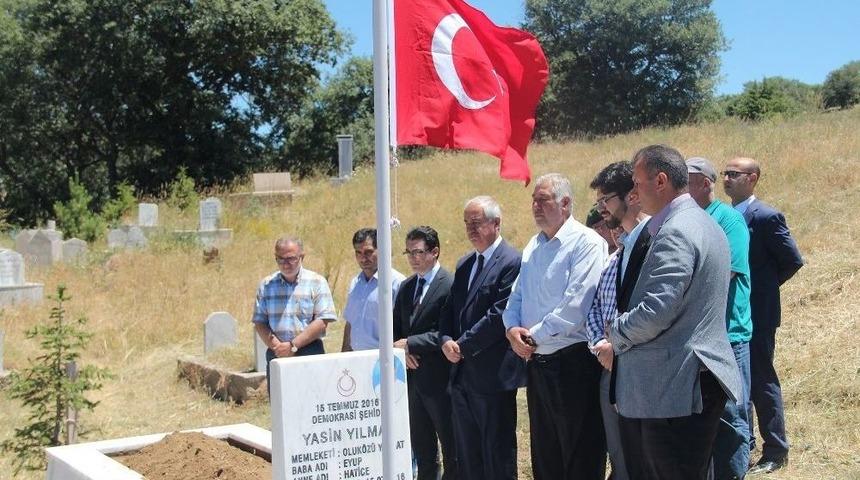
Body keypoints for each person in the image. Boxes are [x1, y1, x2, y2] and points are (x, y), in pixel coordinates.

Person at [608, 145, 742, 480]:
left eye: (637, 183)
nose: (633, 192)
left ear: (661, 181)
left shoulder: (676, 230)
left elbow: (657, 310)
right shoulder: (700, 222)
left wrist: (616, 331)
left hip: (674, 389)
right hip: (680, 386)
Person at [503, 173, 608, 480]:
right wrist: (511, 329)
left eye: (543, 200)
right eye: (534, 200)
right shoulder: (533, 246)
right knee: (546, 456)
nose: (535, 206)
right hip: (538, 363)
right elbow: (517, 296)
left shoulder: (587, 242)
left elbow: (576, 305)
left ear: (565, 203)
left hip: (573, 362)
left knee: (579, 457)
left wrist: (531, 336)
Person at [722, 157, 804, 475]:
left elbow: (792, 260)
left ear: (752, 178)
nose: (726, 178)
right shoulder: (725, 216)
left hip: (758, 312)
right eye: (725, 173)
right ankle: (747, 443)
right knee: (739, 383)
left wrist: (762, 289)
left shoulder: (766, 216)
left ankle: (776, 450)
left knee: (760, 379)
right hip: (734, 315)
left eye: (734, 174)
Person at [439, 196, 524, 480]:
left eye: (476, 222)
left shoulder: (512, 261)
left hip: (493, 376)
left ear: (496, 223)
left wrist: (462, 346)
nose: (470, 229)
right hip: (461, 377)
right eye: (467, 223)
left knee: (497, 456)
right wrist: (445, 339)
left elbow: (500, 314)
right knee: (469, 458)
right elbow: (449, 309)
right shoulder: (465, 263)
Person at [688, 156, 753, 479]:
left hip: (728, 334)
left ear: (705, 183)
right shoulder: (687, 220)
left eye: (687, 180)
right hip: (696, 337)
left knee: (730, 415)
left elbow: (727, 272)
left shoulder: (729, 220)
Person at [586, 160, 651, 480]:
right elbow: (595, 310)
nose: (601, 209)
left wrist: (618, 348)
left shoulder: (659, 241)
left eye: (606, 199)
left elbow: (657, 310)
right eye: (598, 201)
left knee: (650, 458)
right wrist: (600, 344)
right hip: (610, 370)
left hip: (646, 372)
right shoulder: (614, 259)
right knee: (621, 457)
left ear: (633, 196)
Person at [393, 226, 457, 480]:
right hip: (412, 381)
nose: (412, 258)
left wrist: (411, 343)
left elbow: (448, 331)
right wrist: (401, 350)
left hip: (441, 380)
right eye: (408, 252)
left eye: (418, 252)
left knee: (452, 448)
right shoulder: (406, 286)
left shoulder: (449, 284)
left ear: (435, 252)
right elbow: (395, 329)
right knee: (423, 451)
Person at [252, 236, 337, 388]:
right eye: (281, 259)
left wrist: (293, 346)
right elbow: (260, 322)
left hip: (309, 350)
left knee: (313, 398)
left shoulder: (316, 282)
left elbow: (322, 321)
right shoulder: (266, 285)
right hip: (277, 352)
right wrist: (278, 347)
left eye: (291, 258)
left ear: (302, 256)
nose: (286, 264)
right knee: (279, 401)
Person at [341, 228, 406, 352]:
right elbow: (350, 322)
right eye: (358, 253)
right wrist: (344, 355)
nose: (363, 258)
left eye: (368, 252)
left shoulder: (396, 283)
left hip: (383, 358)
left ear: (381, 250)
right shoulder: (355, 283)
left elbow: (404, 325)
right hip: (355, 357)